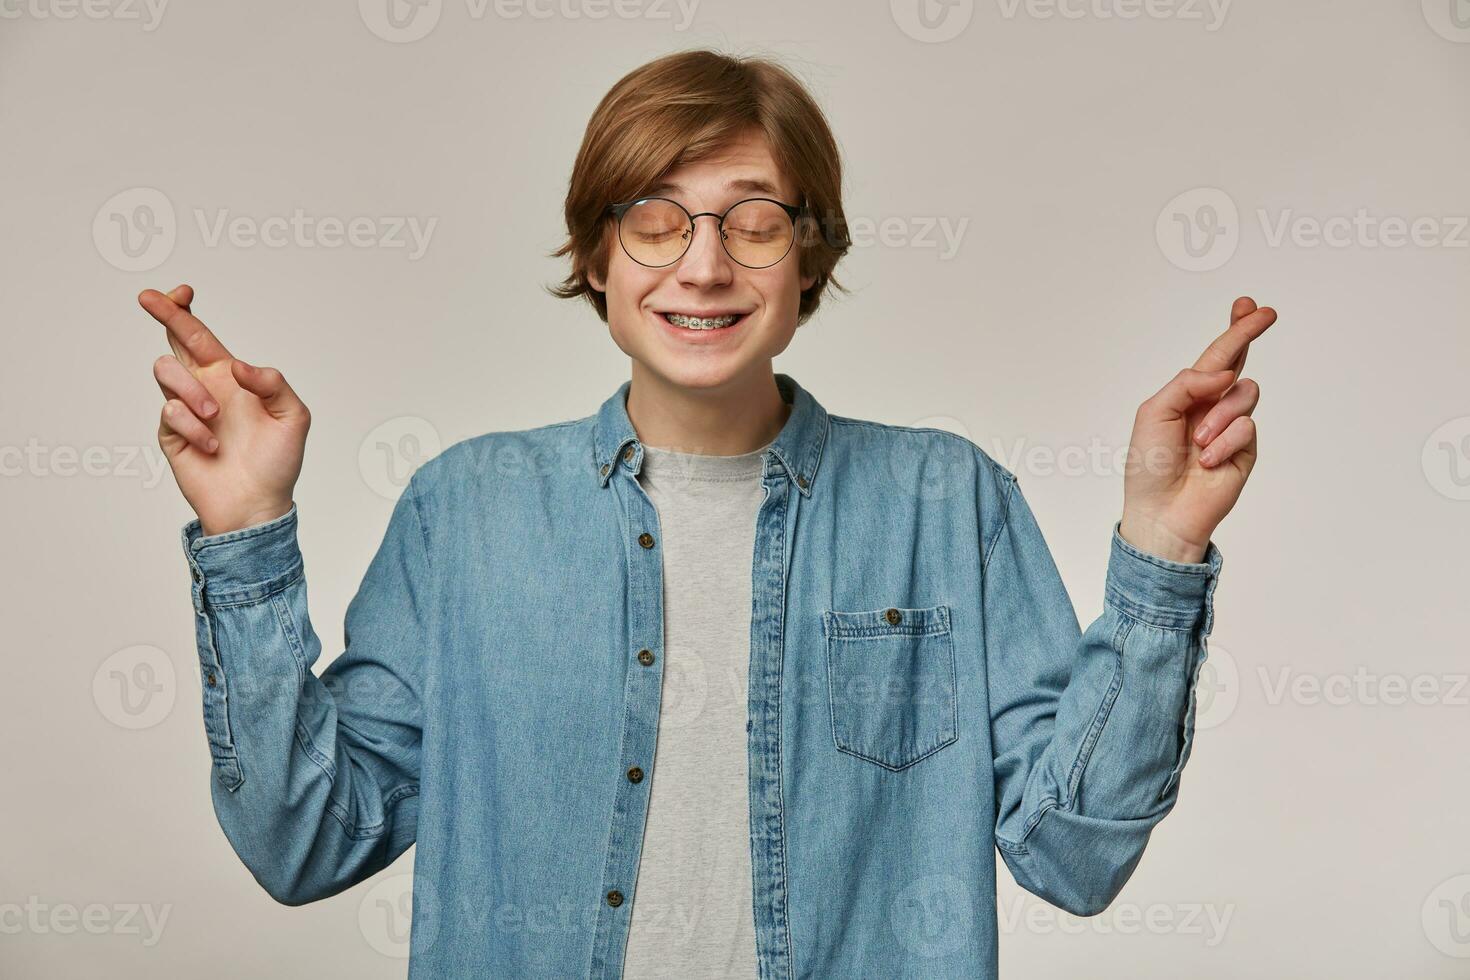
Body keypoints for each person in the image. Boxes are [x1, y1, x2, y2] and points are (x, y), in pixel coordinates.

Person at [140, 48, 1271, 980]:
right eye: (656, 220)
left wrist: (1161, 551)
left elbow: (1070, 853)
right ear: (595, 251)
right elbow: (307, 841)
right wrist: (248, 540)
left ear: (808, 250)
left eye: (755, 221)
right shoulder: (467, 510)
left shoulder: (947, 500)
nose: (705, 264)